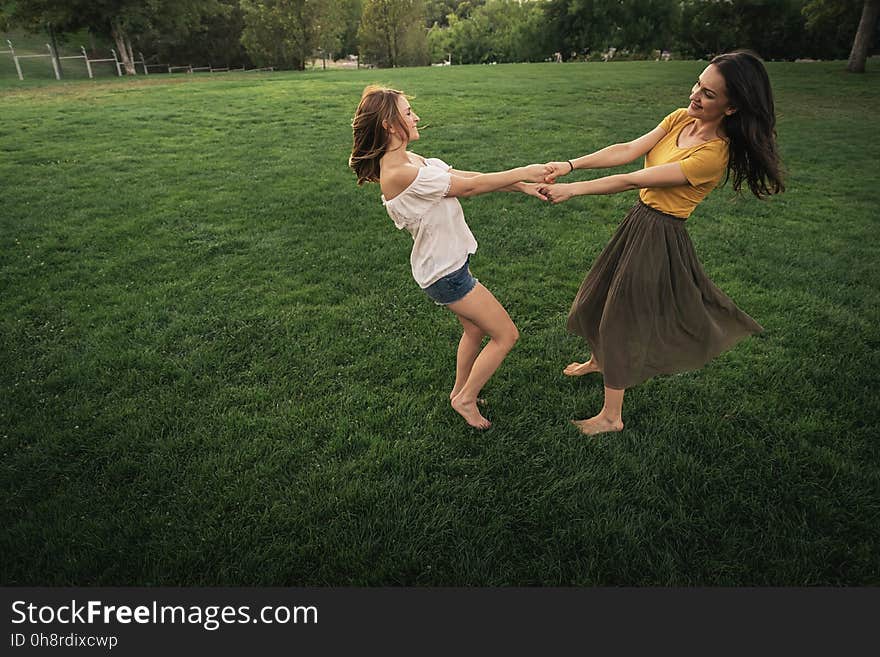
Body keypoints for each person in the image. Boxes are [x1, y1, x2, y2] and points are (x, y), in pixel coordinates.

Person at [539, 50, 784, 436]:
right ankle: (599, 361)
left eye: (708, 94)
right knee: (597, 296)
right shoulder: (681, 118)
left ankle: (611, 416)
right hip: (638, 220)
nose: (695, 95)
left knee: (622, 316)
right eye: (698, 85)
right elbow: (628, 150)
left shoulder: (712, 155)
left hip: (661, 233)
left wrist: (573, 191)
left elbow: (635, 179)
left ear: (732, 107)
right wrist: (570, 164)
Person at [350, 85, 551, 429]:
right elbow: (470, 188)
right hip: (446, 275)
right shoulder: (400, 173)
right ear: (388, 122)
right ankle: (465, 398)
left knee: (474, 330)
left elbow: (464, 180)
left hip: (446, 266)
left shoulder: (410, 161)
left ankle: (461, 391)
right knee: (506, 335)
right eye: (408, 111)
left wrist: (519, 185)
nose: (416, 117)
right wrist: (524, 171)